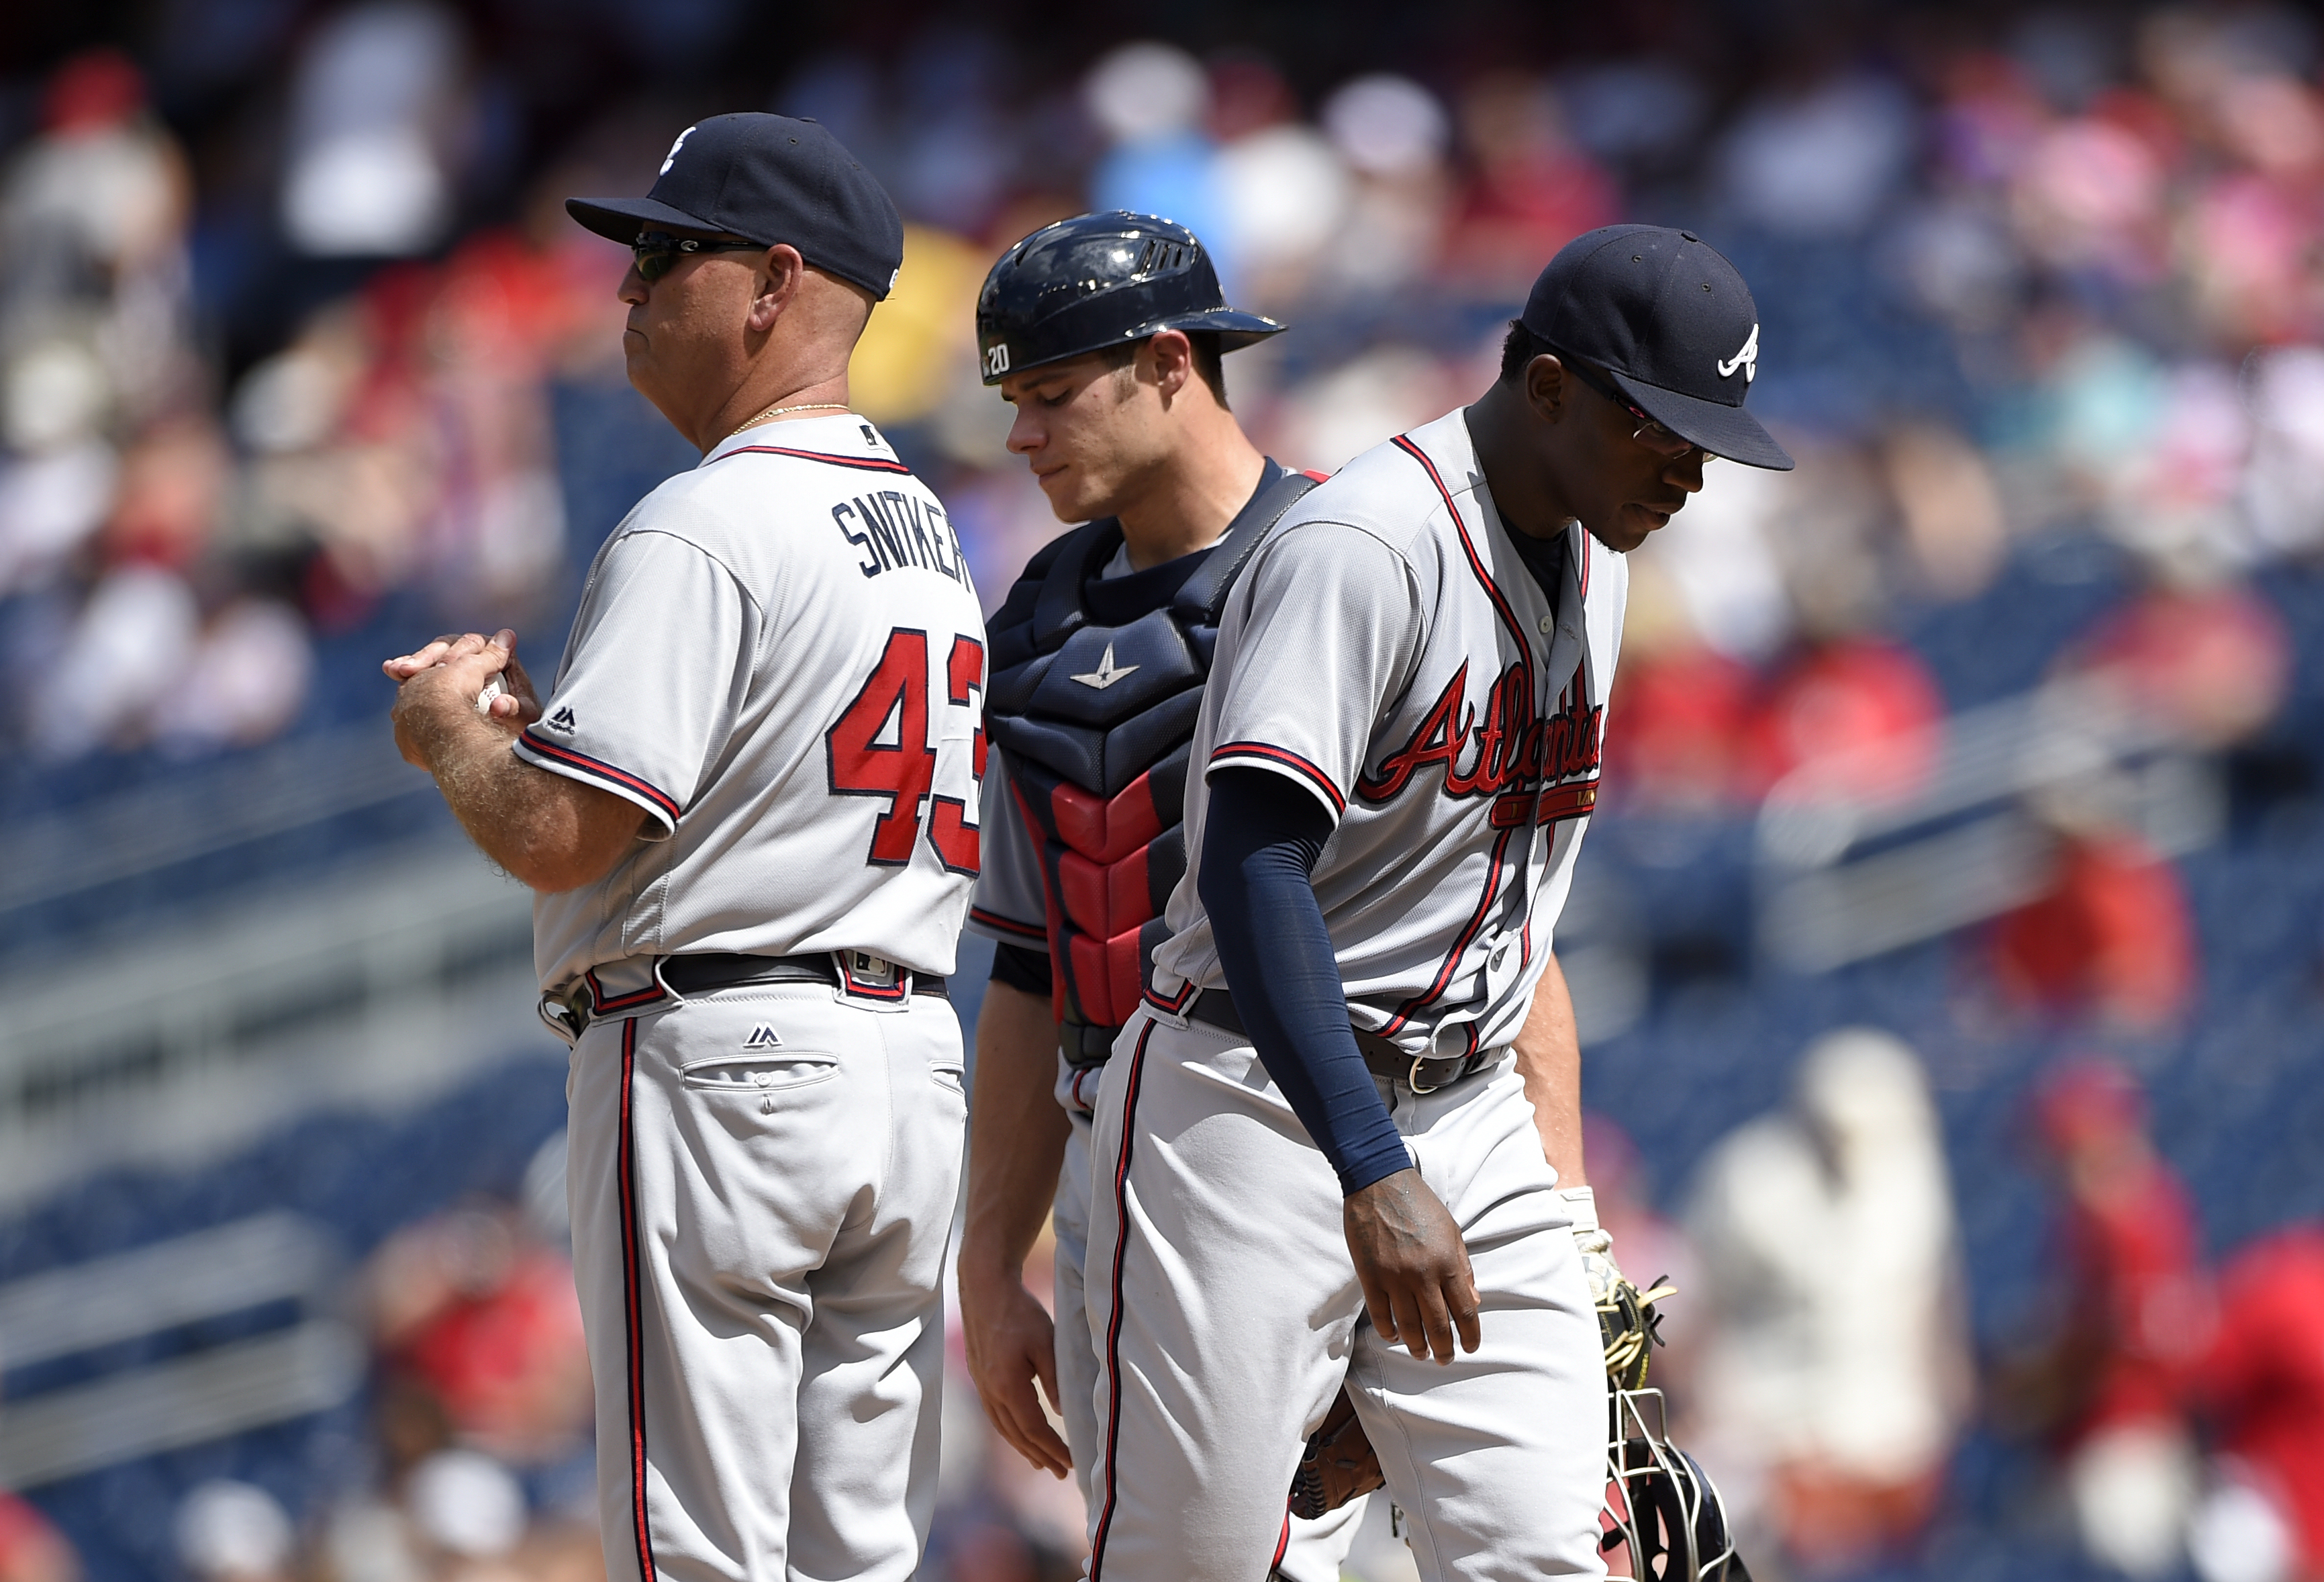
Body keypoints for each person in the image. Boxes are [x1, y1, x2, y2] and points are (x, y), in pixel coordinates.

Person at [1079, 224, 1794, 1582]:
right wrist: (1371, 1165)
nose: (1696, 473)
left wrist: (1560, 1190)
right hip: (1253, 1102)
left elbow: (1510, 909)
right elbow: (1248, 864)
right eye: (1666, 432)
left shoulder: (1602, 549)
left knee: (1553, 1555)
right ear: (1547, 390)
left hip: (1469, 1112)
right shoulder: (1366, 540)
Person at [382, 113, 984, 1582]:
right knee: (854, 1551)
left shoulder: (704, 523)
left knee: (696, 1551)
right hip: (903, 1063)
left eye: (663, 253)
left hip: (723, 1058)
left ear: (774, 283)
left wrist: (456, 740)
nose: (627, 287)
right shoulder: (929, 530)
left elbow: (561, 829)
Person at [953, 210, 1365, 1582]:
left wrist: (1560, 1198)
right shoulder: (1038, 622)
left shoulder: (1350, 565)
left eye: (1052, 394)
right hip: (1114, 1159)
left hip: (1335, 1135)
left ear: (1173, 362)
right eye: (1014, 401)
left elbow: (1499, 930)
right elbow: (1030, 964)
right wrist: (989, 1263)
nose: (1022, 434)